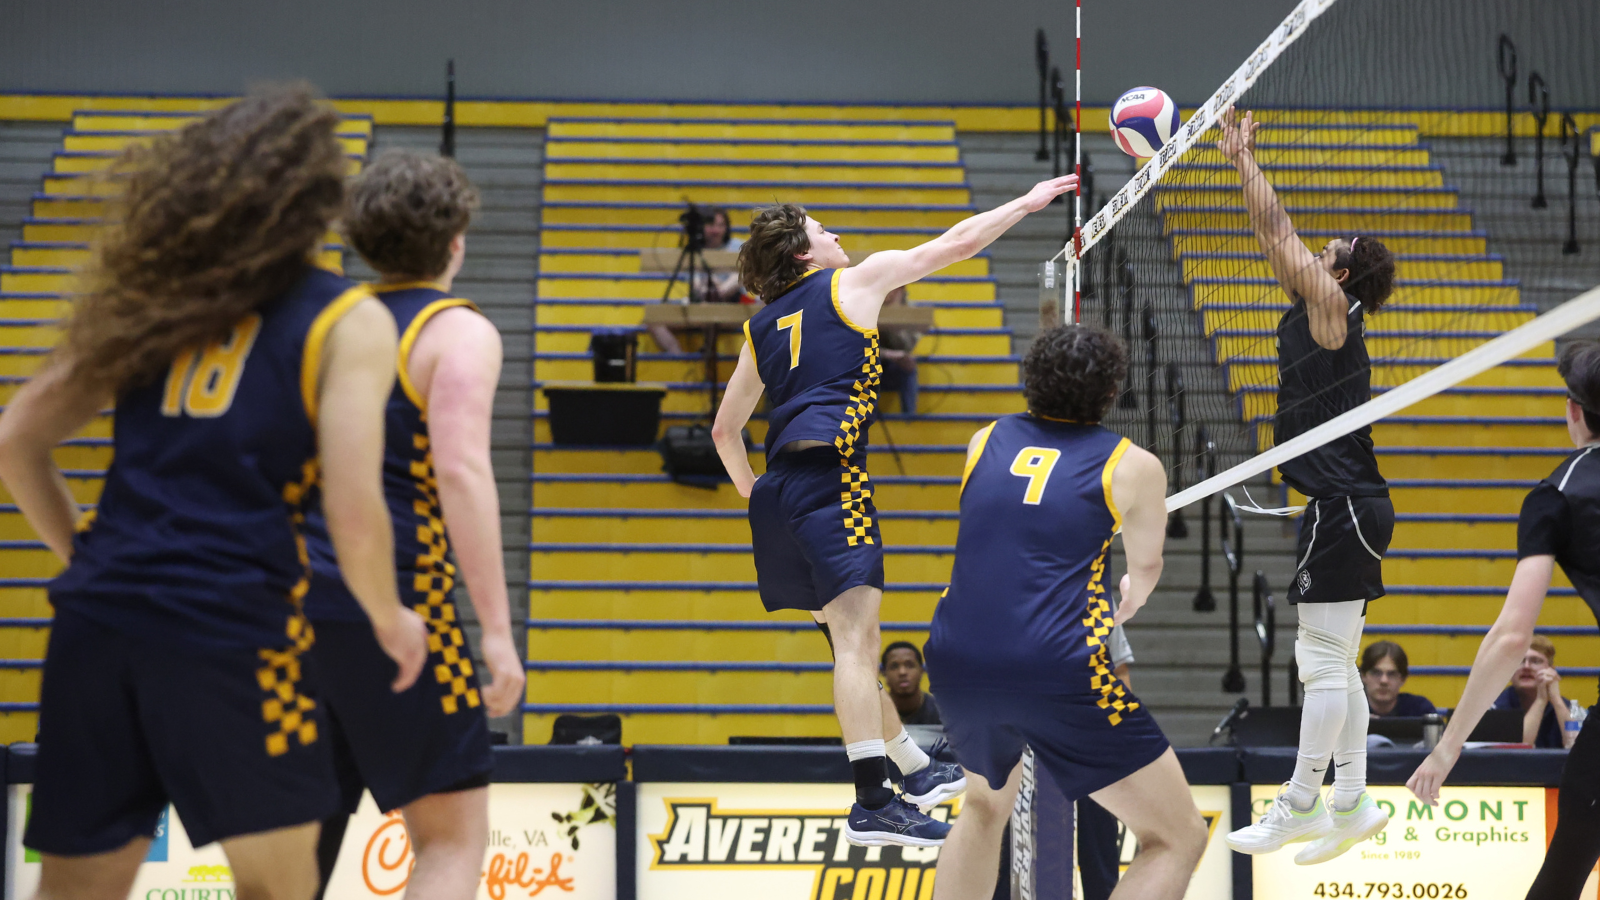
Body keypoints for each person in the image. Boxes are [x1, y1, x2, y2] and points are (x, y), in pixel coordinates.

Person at [0, 87, 429, 900]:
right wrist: (387, 616)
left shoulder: (157, 301)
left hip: (97, 623)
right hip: (233, 627)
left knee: (76, 888)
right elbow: (351, 509)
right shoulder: (346, 320)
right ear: (319, 197)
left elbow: (17, 440)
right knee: (275, 888)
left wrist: (87, 556)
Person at [711, 173, 1079, 846]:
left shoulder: (760, 325)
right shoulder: (855, 281)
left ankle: (910, 768)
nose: (836, 235)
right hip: (831, 477)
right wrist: (1026, 203)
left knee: (843, 643)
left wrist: (755, 492)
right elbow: (957, 243)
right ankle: (873, 799)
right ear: (802, 254)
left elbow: (723, 431)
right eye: (823, 230)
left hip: (780, 492)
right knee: (856, 644)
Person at [299, 150, 526, 900]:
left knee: (292, 863)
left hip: (287, 609)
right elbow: (460, 471)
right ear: (456, 240)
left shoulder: (319, 326)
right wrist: (495, 628)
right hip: (403, 607)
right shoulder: (455, 332)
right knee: (450, 839)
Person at [925, 324, 1206, 900]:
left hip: (956, 655)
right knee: (1177, 837)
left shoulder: (983, 440)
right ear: (1111, 393)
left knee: (982, 806)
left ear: (1032, 379)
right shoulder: (1134, 466)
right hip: (1052, 665)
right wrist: (1130, 599)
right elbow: (1145, 567)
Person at [1217, 108, 1398, 866]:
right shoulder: (1317, 303)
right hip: (1347, 505)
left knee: (1319, 661)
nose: (1311, 253)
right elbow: (1273, 238)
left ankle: (1298, 804)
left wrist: (1240, 158)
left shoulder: (1333, 310)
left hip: (1344, 504)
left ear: (1343, 273)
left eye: (1328, 253)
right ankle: (1352, 801)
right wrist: (1244, 168)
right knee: (1332, 657)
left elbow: (1279, 227)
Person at [1409, 342, 1600, 899]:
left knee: (1563, 873)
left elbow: (1514, 636)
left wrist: (1447, 748)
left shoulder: (1557, 495)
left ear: (1573, 411)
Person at [648, 206, 747, 353]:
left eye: (720, 226)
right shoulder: (693, 250)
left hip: (733, 303)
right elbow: (696, 286)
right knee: (653, 318)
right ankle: (678, 358)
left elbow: (740, 278)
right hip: (701, 304)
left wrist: (715, 287)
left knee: (711, 303)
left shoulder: (737, 247)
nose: (716, 231)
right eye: (711, 225)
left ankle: (708, 355)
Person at [1490, 634, 1577, 749]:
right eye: (1520, 661)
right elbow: (1518, 749)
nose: (1526, 667)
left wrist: (1556, 700)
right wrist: (1541, 701)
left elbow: (1578, 746)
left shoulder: (1566, 707)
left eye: (1536, 661)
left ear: (1551, 670)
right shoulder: (1496, 707)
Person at [1360, 641, 1438, 718]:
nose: (1384, 680)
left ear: (1403, 679)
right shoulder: (1349, 710)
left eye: (1391, 674)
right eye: (1376, 673)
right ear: (1363, 676)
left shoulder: (1420, 710)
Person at [881, 641, 941, 725]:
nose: (902, 672)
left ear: (921, 670)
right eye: (894, 666)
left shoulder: (943, 713)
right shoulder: (873, 713)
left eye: (910, 665)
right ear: (884, 673)